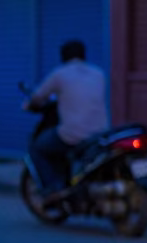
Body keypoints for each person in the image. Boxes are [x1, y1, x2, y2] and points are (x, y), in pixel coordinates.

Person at [24, 40, 109, 198]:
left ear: (63, 57)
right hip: (100, 134)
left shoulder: (60, 74)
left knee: (36, 148)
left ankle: (53, 188)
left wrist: (29, 105)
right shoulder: (99, 74)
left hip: (73, 135)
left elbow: (38, 96)